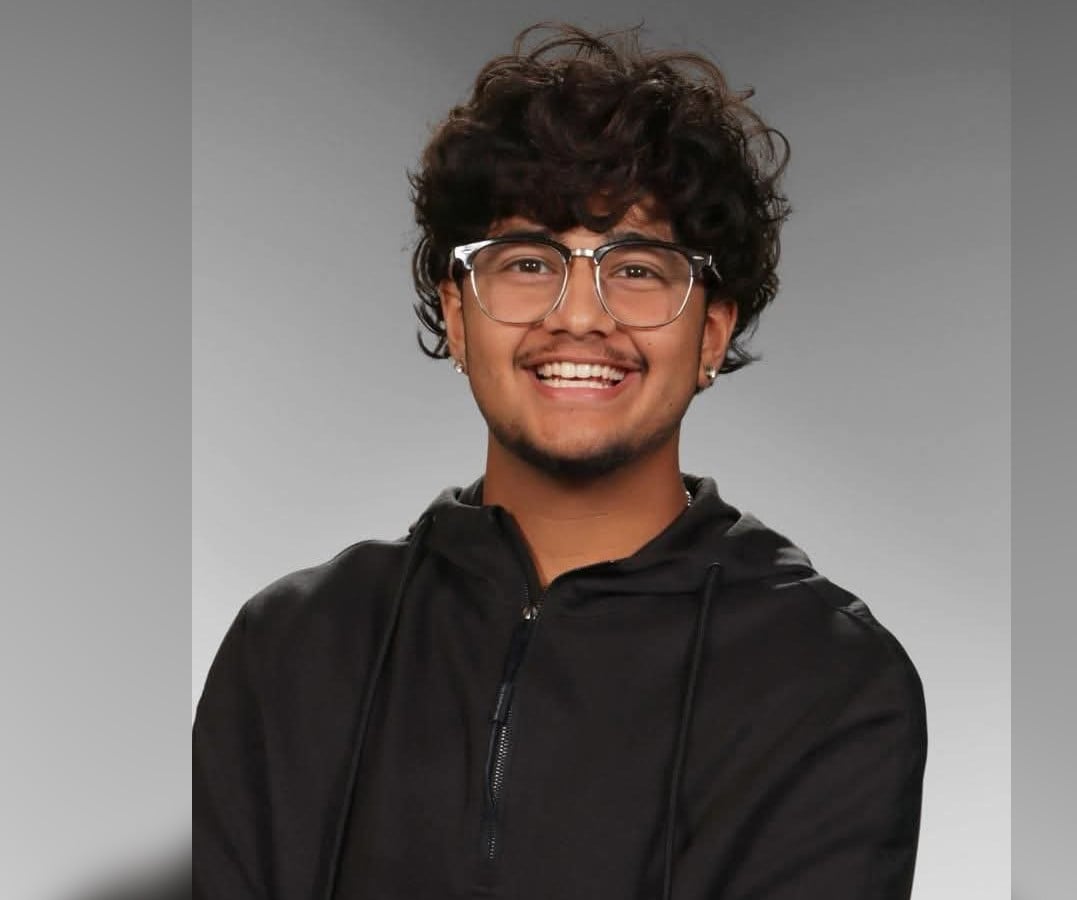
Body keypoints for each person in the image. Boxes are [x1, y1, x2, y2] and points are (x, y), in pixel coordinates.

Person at [193, 23, 927, 900]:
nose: (579, 316)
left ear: (711, 333)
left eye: (639, 269)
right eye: (529, 263)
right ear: (458, 318)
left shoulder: (830, 680)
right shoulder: (292, 647)